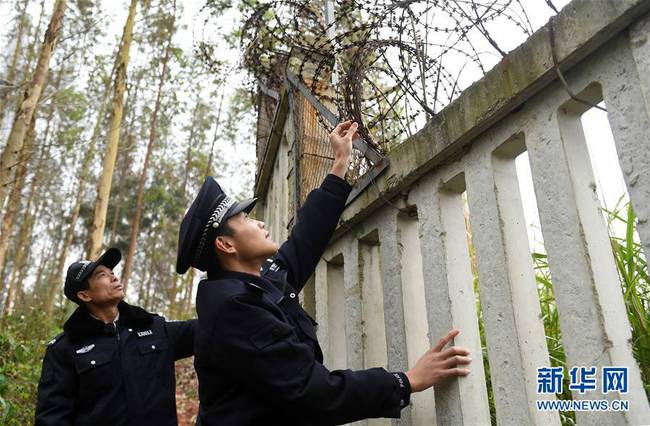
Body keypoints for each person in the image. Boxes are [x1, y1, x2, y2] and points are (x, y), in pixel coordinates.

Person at [176, 120, 472, 425]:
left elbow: (305, 241)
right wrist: (406, 381)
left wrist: (339, 165)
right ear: (225, 245)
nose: (259, 223)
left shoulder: (256, 283)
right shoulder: (236, 310)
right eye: (246, 220)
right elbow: (312, 391)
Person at [35, 247, 196, 426]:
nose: (114, 277)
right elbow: (52, 417)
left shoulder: (155, 328)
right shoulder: (64, 348)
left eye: (112, 272)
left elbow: (208, 330)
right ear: (84, 295)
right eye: (101, 275)